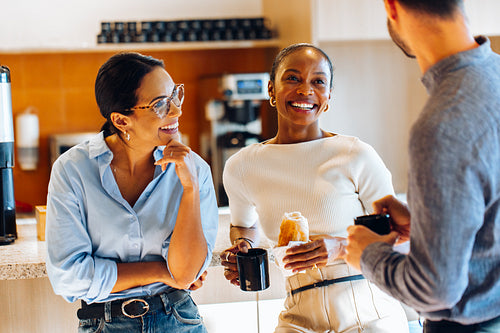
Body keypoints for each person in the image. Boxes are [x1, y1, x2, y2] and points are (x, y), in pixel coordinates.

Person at [221, 43, 409, 333]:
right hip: (298, 313)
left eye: (318, 81)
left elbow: (396, 231)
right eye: (293, 78)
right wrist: (243, 247)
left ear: (329, 96)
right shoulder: (242, 166)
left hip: (369, 309)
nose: (305, 90)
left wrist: (340, 248)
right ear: (271, 90)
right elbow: (243, 227)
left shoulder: (355, 154)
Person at [345, 1, 500, 332]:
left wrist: (367, 254)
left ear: (391, 7)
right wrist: (429, 226)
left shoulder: (443, 125)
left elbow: (435, 290)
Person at [45, 52, 218, 332]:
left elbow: (185, 274)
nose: (177, 111)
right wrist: (160, 271)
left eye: (175, 96)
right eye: (160, 104)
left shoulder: (194, 169)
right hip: (103, 323)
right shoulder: (72, 170)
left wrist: (190, 188)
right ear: (122, 120)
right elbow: (70, 277)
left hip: (178, 319)